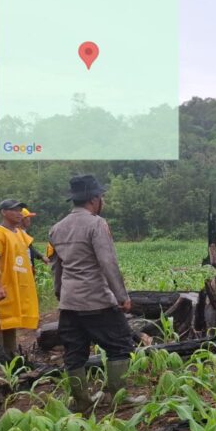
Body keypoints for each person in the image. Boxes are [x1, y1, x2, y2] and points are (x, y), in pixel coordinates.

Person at [48, 175, 145, 412]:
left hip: (70, 303)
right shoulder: (96, 224)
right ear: (94, 199)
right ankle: (118, 399)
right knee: (120, 345)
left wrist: (60, 293)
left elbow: (56, 267)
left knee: (75, 352)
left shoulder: (56, 228)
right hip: (96, 300)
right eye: (101, 197)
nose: (102, 201)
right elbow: (107, 263)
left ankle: (82, 402)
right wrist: (122, 296)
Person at [0, 199, 40, 359]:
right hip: (3, 285)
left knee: (11, 317)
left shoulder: (20, 234)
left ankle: (11, 353)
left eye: (20, 210)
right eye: (14, 210)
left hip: (16, 285)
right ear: (4, 212)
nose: (19, 213)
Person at [21, 208, 49, 273]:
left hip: (28, 268)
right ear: (22, 219)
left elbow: (30, 249)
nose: (29, 219)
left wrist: (42, 257)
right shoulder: (17, 234)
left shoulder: (24, 233)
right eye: (28, 217)